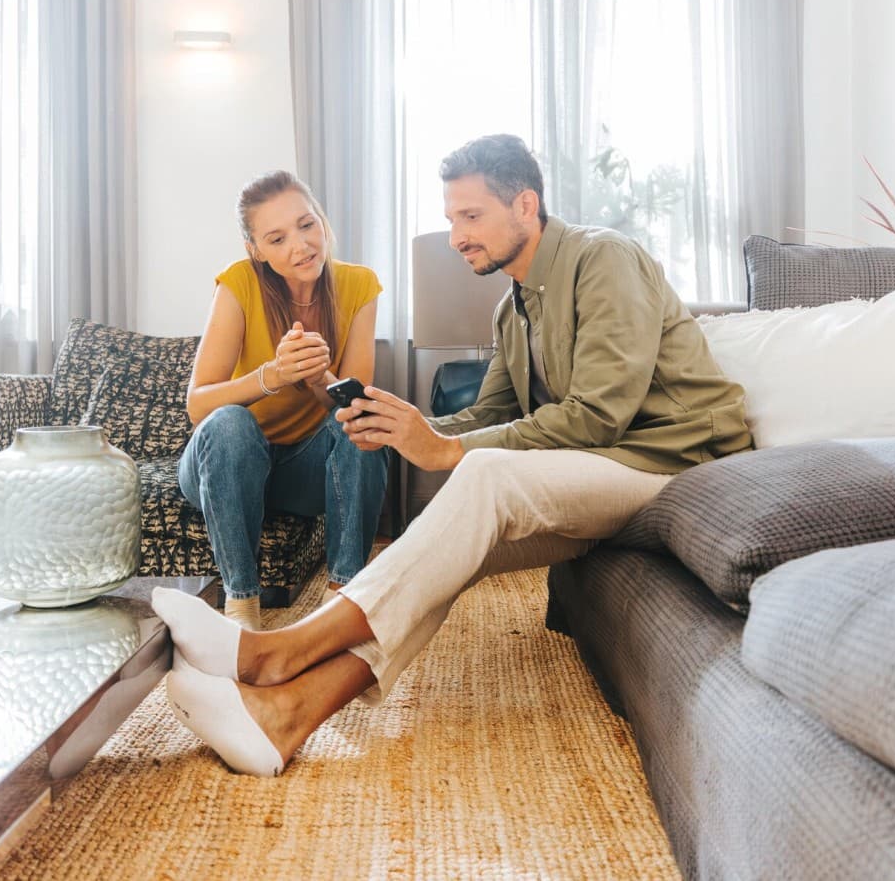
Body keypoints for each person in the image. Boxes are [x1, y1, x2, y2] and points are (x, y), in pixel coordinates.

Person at [154, 135, 751, 775]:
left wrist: (446, 448)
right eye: (451, 219)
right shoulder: (512, 308)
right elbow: (487, 414)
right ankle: (286, 715)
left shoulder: (604, 258)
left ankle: (274, 655)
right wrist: (404, 427)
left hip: (674, 463)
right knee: (448, 547)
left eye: (471, 216)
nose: (456, 237)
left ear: (525, 205)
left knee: (484, 474)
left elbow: (599, 416)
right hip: (608, 468)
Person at [178, 169, 388, 631]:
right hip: (223, 466)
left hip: (300, 473)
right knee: (230, 422)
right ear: (255, 249)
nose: (301, 246)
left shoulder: (359, 286)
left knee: (360, 425)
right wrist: (273, 375)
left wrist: (316, 377)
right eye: (277, 239)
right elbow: (198, 406)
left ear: (321, 219)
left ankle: (343, 599)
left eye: (306, 224)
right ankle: (241, 607)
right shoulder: (238, 282)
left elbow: (350, 407)